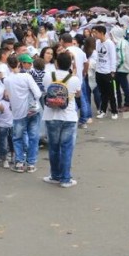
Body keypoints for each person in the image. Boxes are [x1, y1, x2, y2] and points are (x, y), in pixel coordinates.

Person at [42, 52, 82, 188]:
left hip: (51, 115)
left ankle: (55, 175)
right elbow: (78, 94)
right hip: (68, 116)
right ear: (70, 64)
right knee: (66, 148)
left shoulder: (48, 76)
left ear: (56, 63)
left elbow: (45, 91)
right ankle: (66, 178)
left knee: (53, 147)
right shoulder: (74, 79)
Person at [5, 55, 42, 173]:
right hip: (32, 111)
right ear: (19, 64)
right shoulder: (27, 76)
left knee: (17, 138)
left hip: (17, 112)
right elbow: (38, 93)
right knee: (33, 137)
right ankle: (31, 164)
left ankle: (19, 163)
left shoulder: (7, 80)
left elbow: (9, 96)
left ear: (8, 66)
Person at [91, 25, 119, 120]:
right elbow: (97, 57)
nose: (94, 34)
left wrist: (112, 71)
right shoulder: (97, 42)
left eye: (96, 32)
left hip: (108, 72)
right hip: (99, 71)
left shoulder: (110, 43)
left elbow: (113, 58)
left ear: (102, 33)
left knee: (111, 93)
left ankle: (114, 111)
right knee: (102, 93)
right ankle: (103, 111)